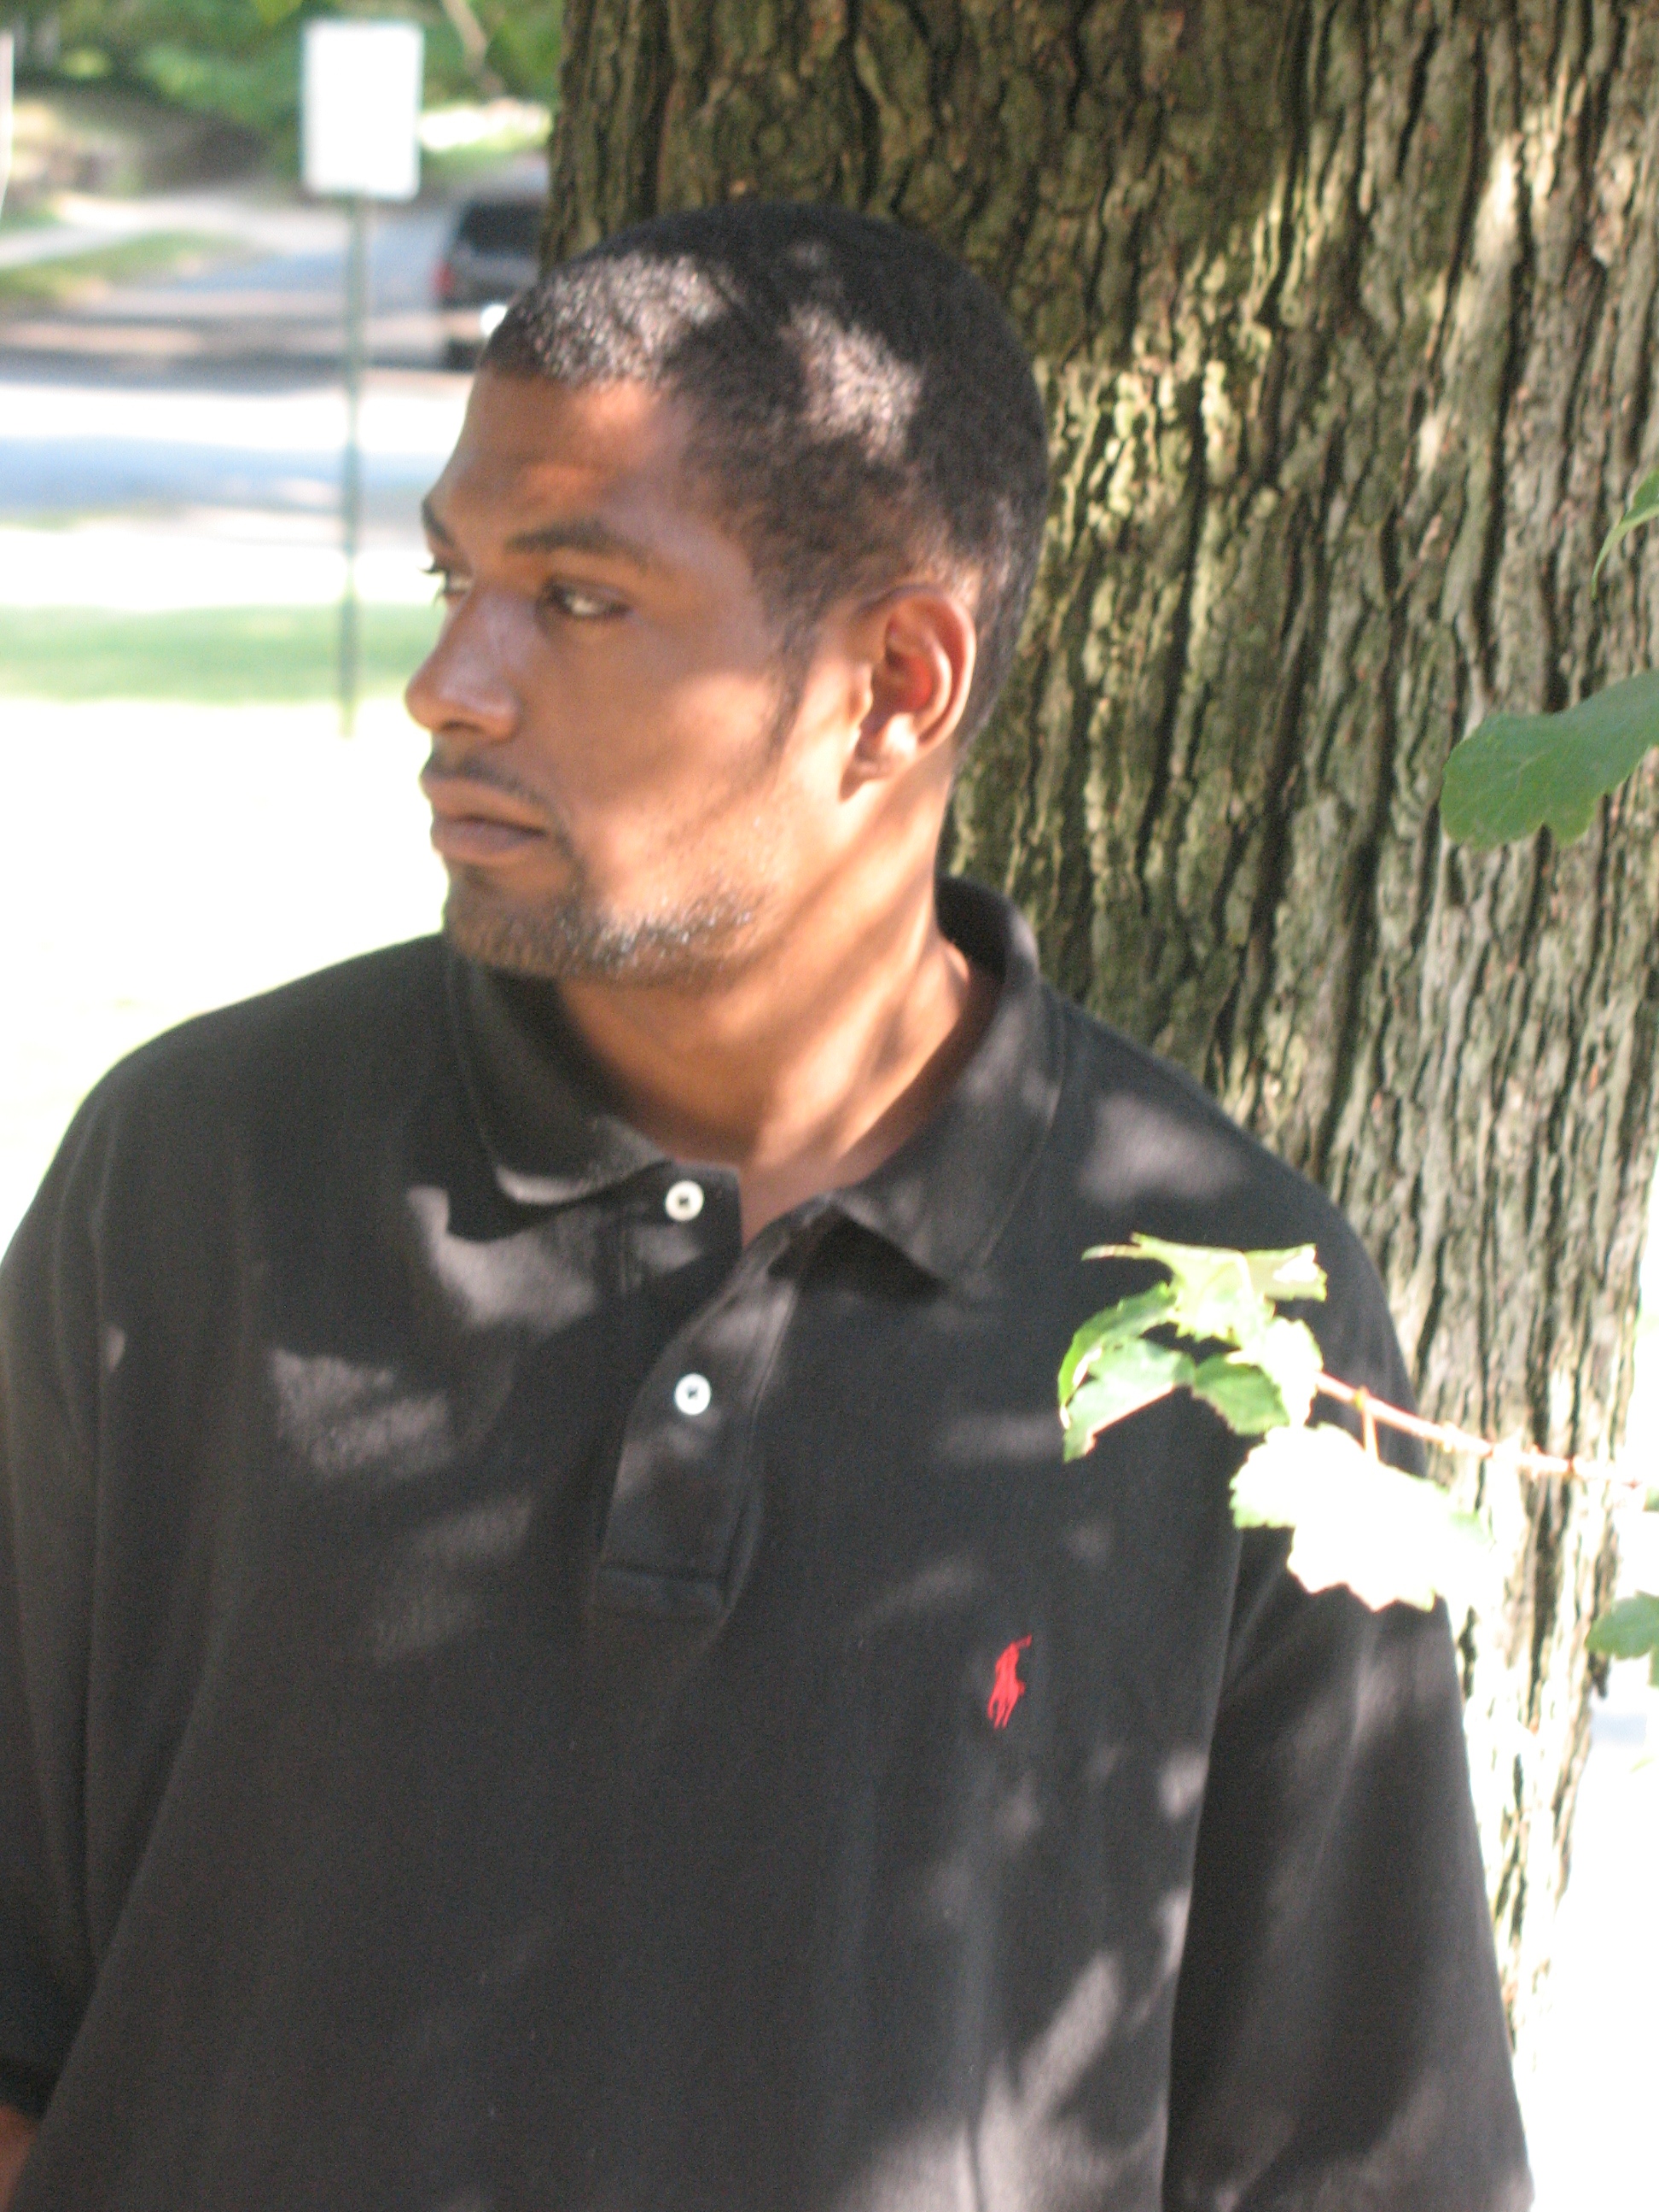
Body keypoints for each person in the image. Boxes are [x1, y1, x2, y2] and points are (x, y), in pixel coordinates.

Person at [0, 202, 1530, 2211]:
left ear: (896, 683)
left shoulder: (1228, 1320)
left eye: (575, 598)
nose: (449, 684)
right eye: (457, 579)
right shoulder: (197, 1180)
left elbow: (1357, 2154)